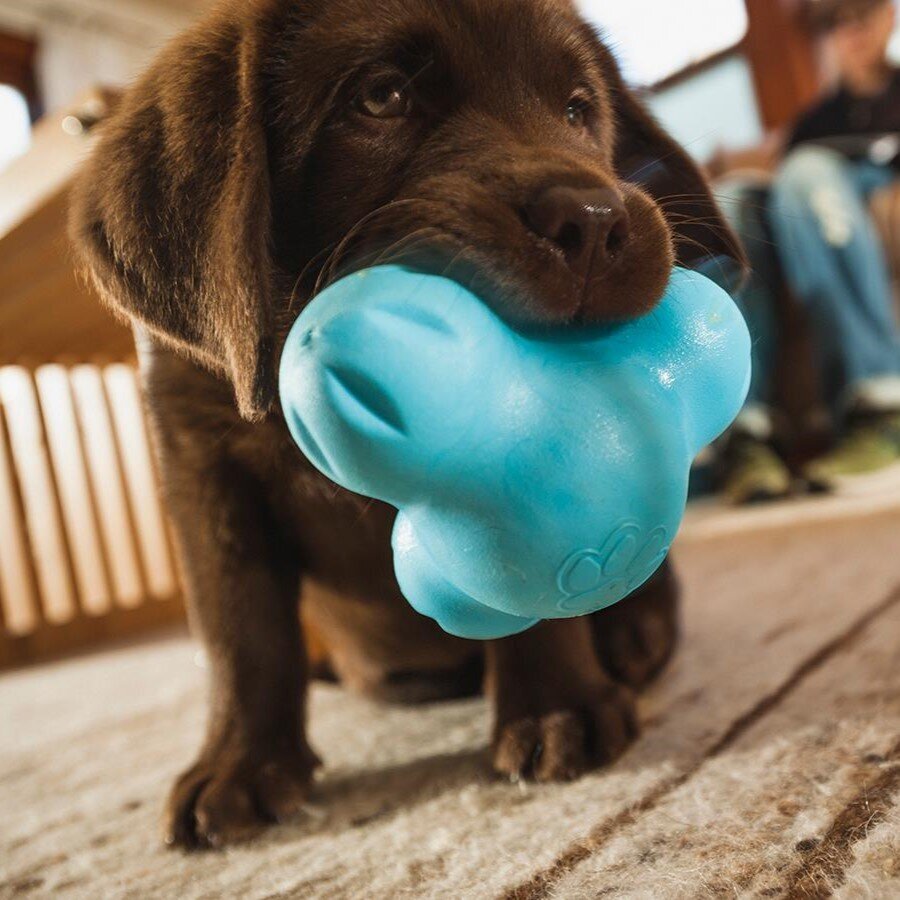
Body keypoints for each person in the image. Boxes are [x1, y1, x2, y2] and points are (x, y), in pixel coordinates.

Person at [720, 0, 900, 504]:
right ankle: (747, 434)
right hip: (801, 209)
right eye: (835, 24)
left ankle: (883, 407)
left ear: (889, 17)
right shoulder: (816, 120)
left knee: (804, 173)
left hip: (852, 199)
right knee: (731, 199)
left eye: (860, 17)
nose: (849, 33)